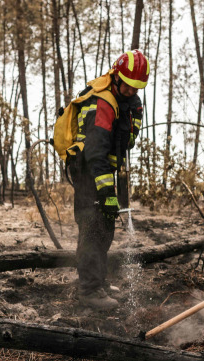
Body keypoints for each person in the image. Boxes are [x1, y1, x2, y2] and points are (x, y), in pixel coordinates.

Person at [69, 49, 149, 310]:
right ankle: (89, 291)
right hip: (87, 173)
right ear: (116, 76)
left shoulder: (126, 102)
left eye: (137, 87)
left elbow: (123, 142)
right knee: (92, 230)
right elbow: (95, 153)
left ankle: (99, 283)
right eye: (127, 86)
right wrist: (106, 192)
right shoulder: (101, 103)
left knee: (104, 230)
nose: (131, 91)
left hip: (103, 173)